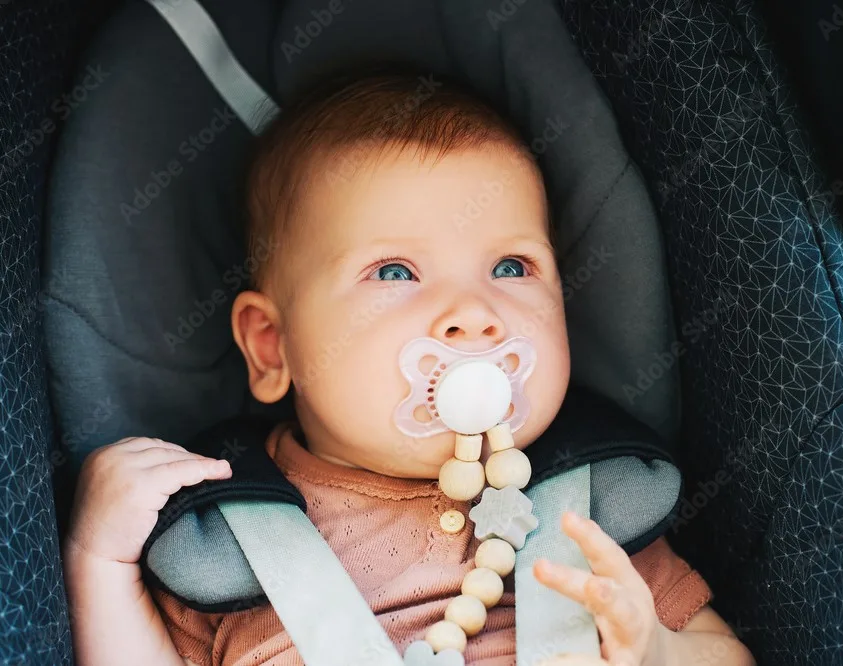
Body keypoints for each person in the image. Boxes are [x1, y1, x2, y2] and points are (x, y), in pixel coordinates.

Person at [63, 68, 755, 666]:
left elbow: (723, 652)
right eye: (394, 271)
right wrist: (100, 563)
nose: (474, 315)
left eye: (510, 267)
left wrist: (659, 651)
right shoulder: (222, 542)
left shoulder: (591, 509)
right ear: (273, 347)